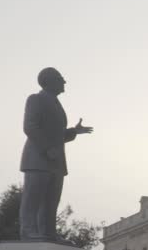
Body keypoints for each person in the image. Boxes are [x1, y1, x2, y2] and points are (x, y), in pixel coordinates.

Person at [19, 67, 93, 240]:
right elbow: (30, 126)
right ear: (49, 81)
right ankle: (28, 230)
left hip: (56, 162)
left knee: (51, 201)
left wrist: (74, 131)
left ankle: (48, 232)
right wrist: (47, 148)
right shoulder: (36, 99)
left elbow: (57, 136)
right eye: (60, 78)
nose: (64, 82)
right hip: (37, 159)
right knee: (33, 198)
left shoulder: (56, 104)